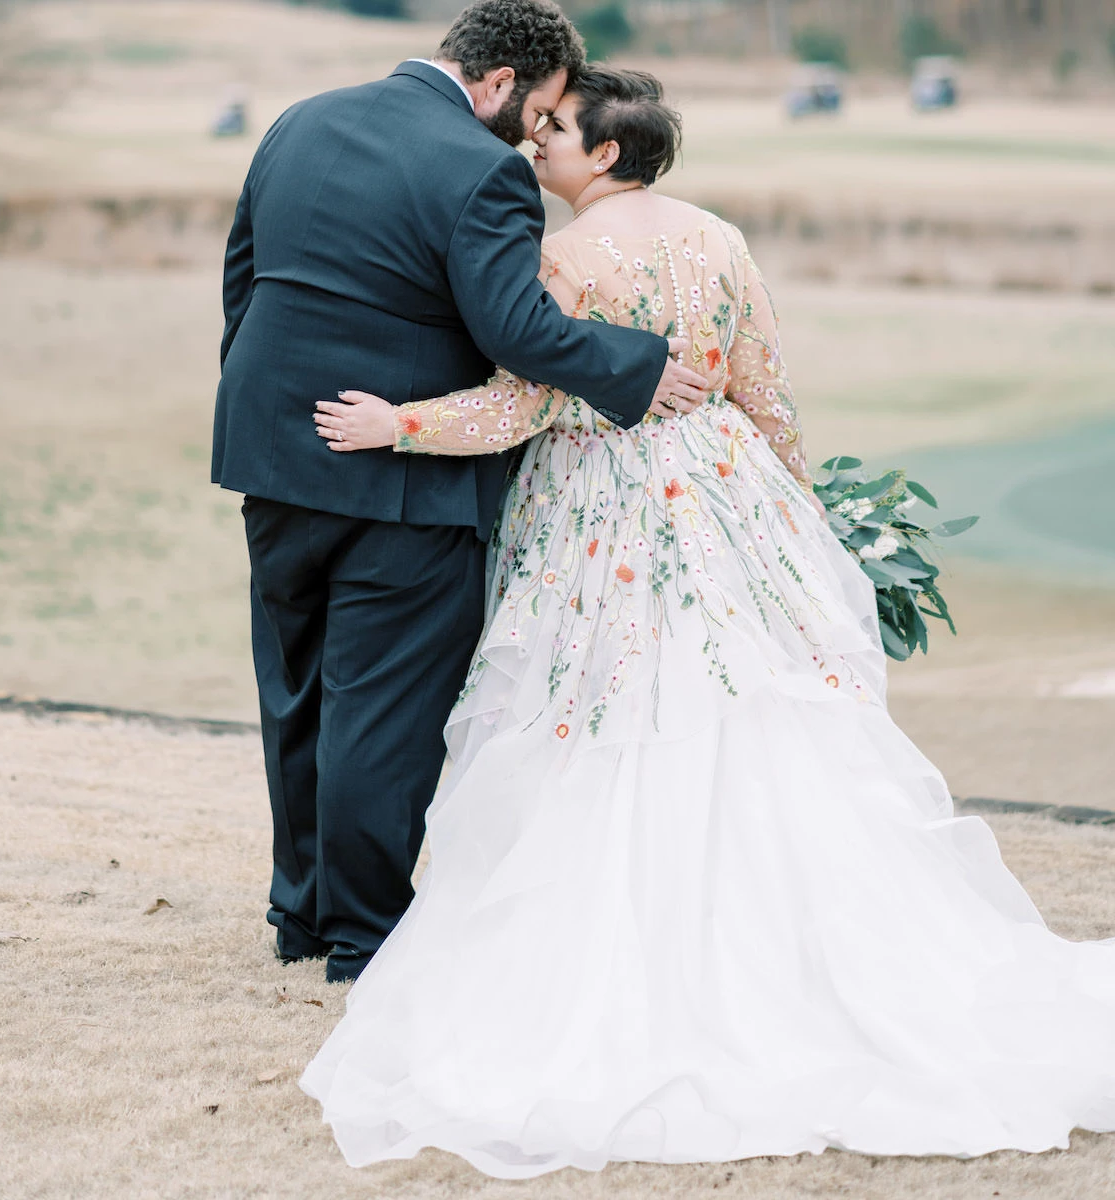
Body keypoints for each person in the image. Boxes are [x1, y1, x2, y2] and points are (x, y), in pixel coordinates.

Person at [301, 66, 1115, 1176]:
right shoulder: (720, 237)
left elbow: (531, 398)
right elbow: (765, 388)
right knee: (746, 698)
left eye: (557, 132)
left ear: (606, 154)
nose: (536, 144)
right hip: (728, 490)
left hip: (605, 503)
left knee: (608, 704)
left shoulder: (564, 257)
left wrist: (398, 420)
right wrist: (797, 517)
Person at [210, 1, 710, 984]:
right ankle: (361, 938)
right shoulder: (482, 170)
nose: (536, 133)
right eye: (543, 110)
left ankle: (298, 912)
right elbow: (516, 330)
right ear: (497, 85)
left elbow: (245, 279)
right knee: (383, 708)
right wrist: (640, 366)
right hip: (403, 475)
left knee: (298, 685)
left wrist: (264, 408)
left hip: (275, 453)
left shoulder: (299, 119)